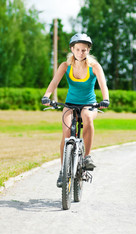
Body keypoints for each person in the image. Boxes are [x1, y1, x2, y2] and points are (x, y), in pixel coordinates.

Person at [41, 33, 110, 188]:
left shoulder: (94, 66)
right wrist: (46, 96)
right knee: (66, 133)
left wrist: (105, 99)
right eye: (77, 49)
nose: (80, 53)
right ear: (72, 49)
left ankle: (86, 157)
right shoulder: (65, 66)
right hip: (70, 104)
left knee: (87, 116)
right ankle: (63, 171)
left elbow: (103, 84)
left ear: (88, 50)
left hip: (89, 104)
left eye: (84, 50)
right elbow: (54, 82)